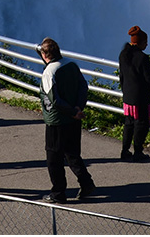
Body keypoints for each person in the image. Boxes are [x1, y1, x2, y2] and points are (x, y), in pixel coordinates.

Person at [39, 37, 96, 203]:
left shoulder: (49, 72)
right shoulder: (71, 64)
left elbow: (54, 100)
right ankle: (87, 184)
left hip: (57, 122)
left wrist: (71, 112)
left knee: (54, 159)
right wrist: (78, 108)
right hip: (74, 119)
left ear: (44, 54)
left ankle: (58, 194)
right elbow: (83, 86)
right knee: (72, 154)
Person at [117, 26, 150, 162]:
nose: (147, 44)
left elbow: (122, 76)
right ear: (139, 42)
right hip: (140, 99)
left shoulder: (123, 55)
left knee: (129, 124)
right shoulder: (142, 58)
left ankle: (125, 151)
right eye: (145, 42)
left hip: (128, 97)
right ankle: (138, 152)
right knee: (141, 125)